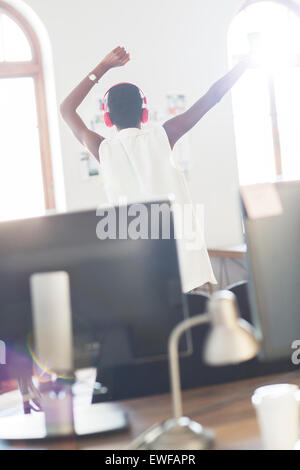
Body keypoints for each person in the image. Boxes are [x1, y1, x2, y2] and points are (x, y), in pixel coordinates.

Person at [61, 47, 249, 293]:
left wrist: (103, 67)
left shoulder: (102, 149)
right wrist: (244, 64)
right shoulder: (163, 136)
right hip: (189, 269)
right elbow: (212, 97)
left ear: (107, 120)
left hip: (141, 272)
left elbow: (66, 109)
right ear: (145, 113)